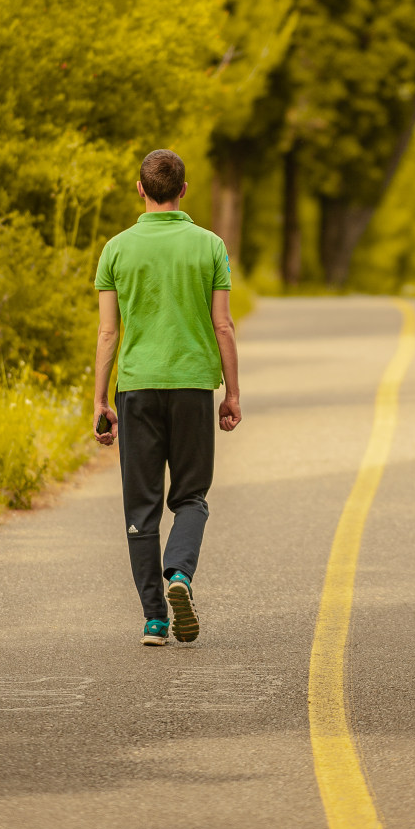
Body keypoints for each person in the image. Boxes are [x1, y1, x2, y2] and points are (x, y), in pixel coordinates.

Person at [92, 148, 241, 646]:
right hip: (194, 386)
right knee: (192, 496)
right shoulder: (211, 246)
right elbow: (223, 325)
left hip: (136, 388)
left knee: (142, 507)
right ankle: (180, 573)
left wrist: (99, 402)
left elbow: (108, 334)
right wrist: (232, 393)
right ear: (183, 189)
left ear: (140, 189)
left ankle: (155, 620)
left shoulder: (116, 250)